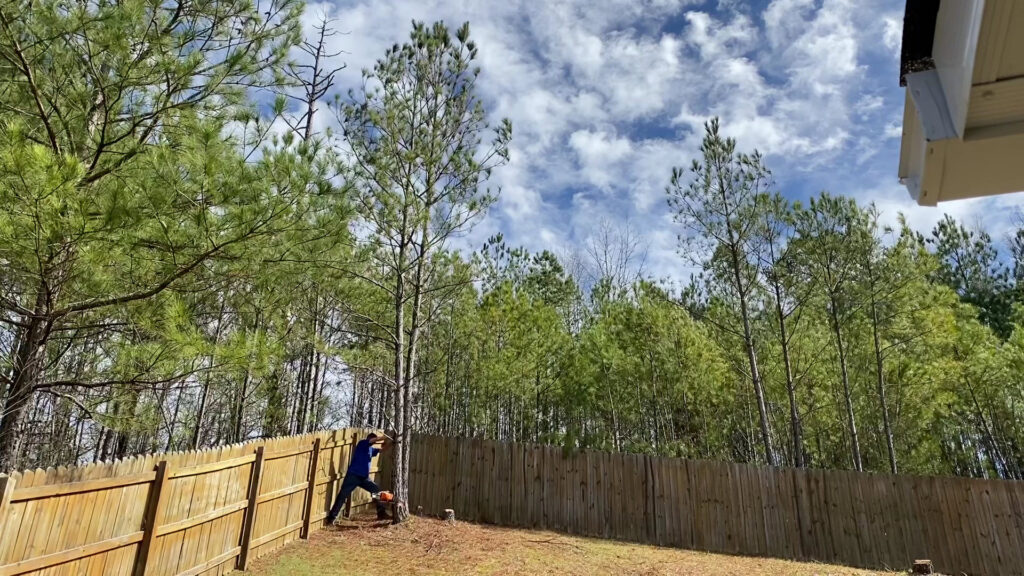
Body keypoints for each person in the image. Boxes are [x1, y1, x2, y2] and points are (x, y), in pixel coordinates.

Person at [326, 433, 390, 523]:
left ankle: (381, 513)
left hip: (364, 478)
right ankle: (332, 517)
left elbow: (383, 450)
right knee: (343, 495)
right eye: (373, 439)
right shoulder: (362, 443)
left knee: (376, 491)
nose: (374, 441)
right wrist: (385, 437)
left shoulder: (371, 450)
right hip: (353, 476)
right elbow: (373, 440)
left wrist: (390, 443)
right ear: (369, 439)